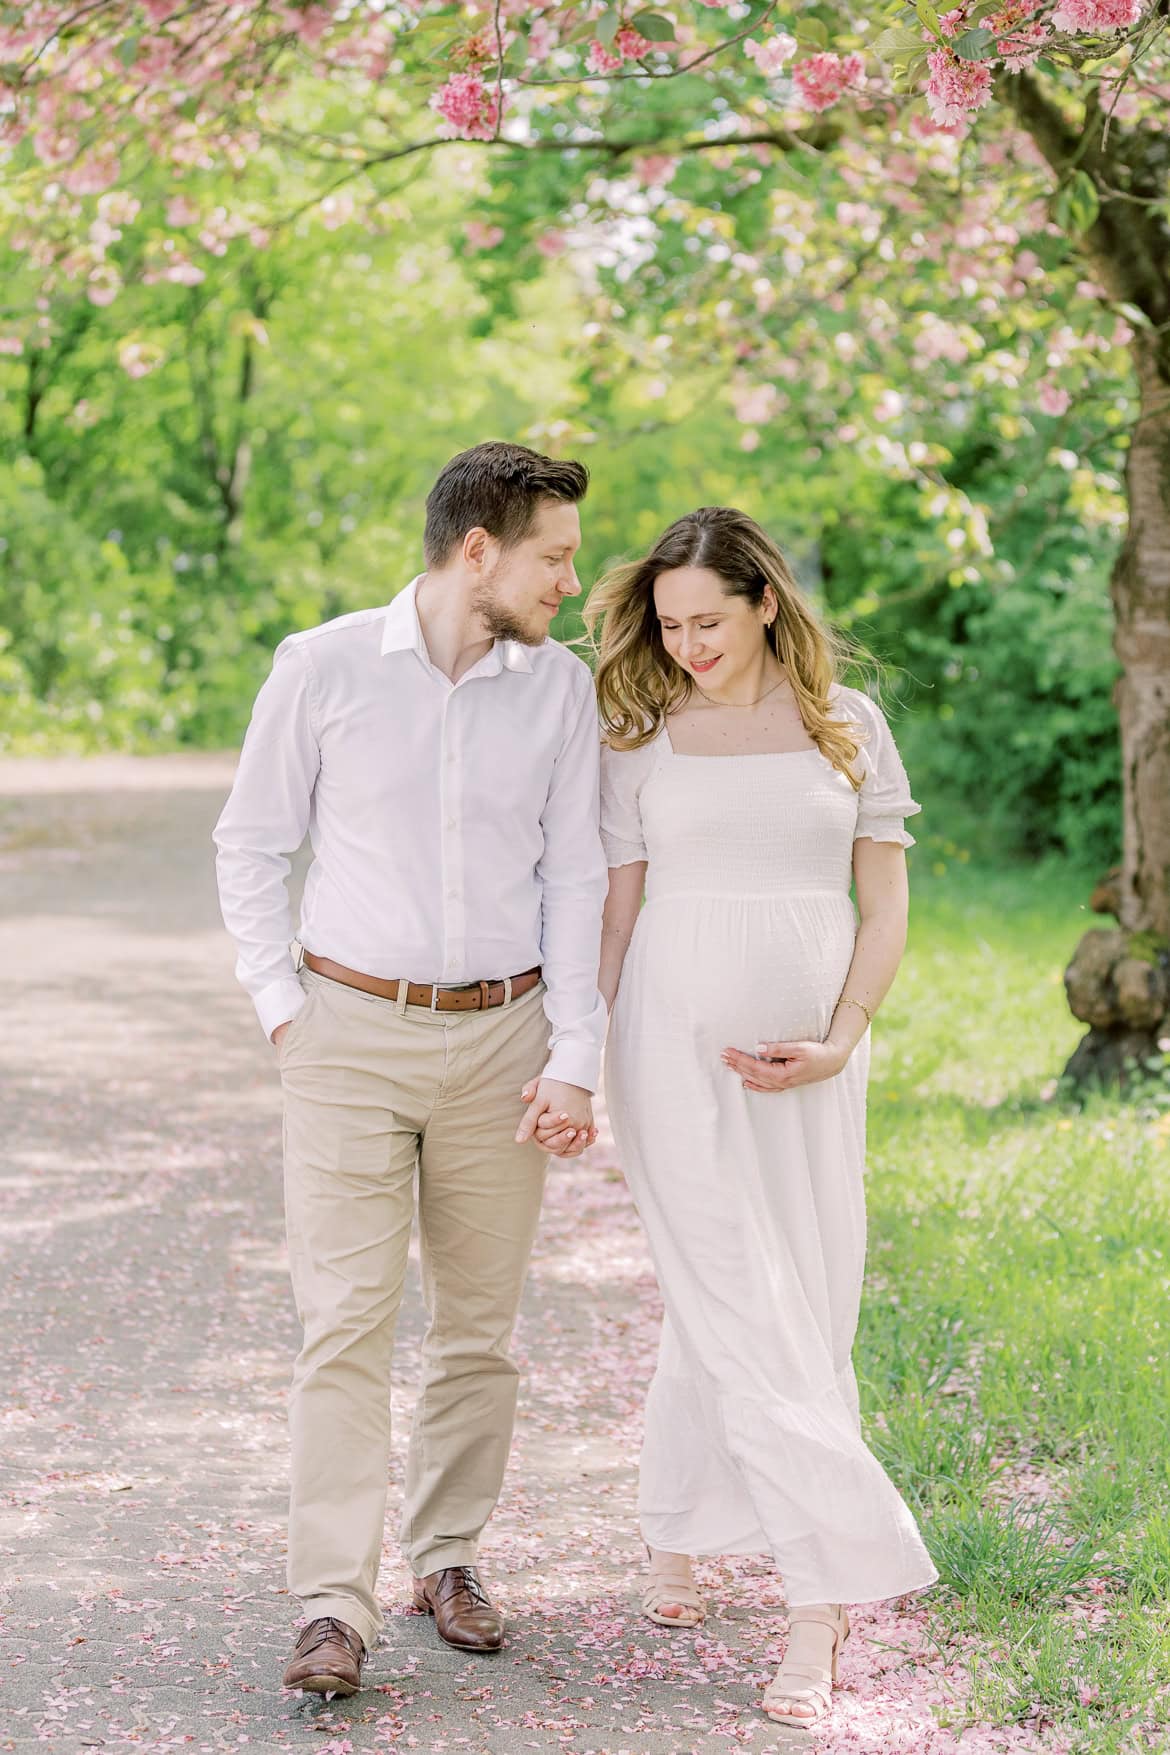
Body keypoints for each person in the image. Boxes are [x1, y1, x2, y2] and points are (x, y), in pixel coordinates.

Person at [213, 441, 606, 1698]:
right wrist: (284, 1009)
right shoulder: (322, 667)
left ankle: (448, 1559)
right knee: (345, 1328)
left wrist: (577, 1055)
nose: (569, 583)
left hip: (505, 1037)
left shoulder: (561, 691)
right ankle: (333, 1602)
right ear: (477, 550)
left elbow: (578, 875)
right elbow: (252, 843)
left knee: (480, 1330)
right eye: (554, 558)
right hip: (348, 1033)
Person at [564, 505, 938, 1730]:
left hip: (815, 1062)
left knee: (802, 1289)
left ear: (766, 602)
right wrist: (579, 1056)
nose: (687, 647)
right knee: (728, 1287)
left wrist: (840, 1037)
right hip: (668, 1048)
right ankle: (821, 1601)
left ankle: (677, 1525)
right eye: (669, 627)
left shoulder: (849, 728)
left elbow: (880, 908)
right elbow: (616, 914)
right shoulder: (641, 737)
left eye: (709, 622)